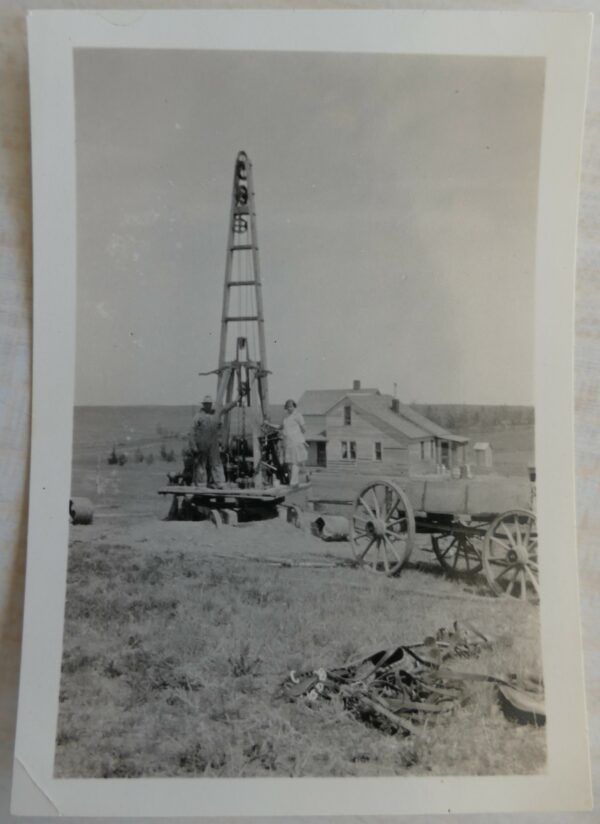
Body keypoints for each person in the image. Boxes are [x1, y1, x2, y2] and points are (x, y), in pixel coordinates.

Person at [189, 389, 246, 488]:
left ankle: (220, 482)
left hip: (213, 443)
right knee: (201, 464)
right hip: (201, 443)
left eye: (210, 403)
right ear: (203, 404)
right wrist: (193, 445)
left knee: (216, 463)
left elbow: (226, 408)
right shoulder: (198, 416)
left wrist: (237, 399)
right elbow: (191, 432)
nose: (208, 405)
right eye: (206, 403)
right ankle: (201, 484)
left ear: (212, 404)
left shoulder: (216, 413)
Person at [281, 399, 308, 486]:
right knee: (292, 463)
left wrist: (297, 434)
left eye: (291, 406)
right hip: (289, 443)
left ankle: (294, 482)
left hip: (296, 441)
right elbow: (280, 427)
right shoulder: (285, 419)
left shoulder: (298, 416)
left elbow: (304, 429)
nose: (289, 408)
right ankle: (302, 477)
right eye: (288, 407)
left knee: (296, 462)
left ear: (294, 407)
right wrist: (268, 424)